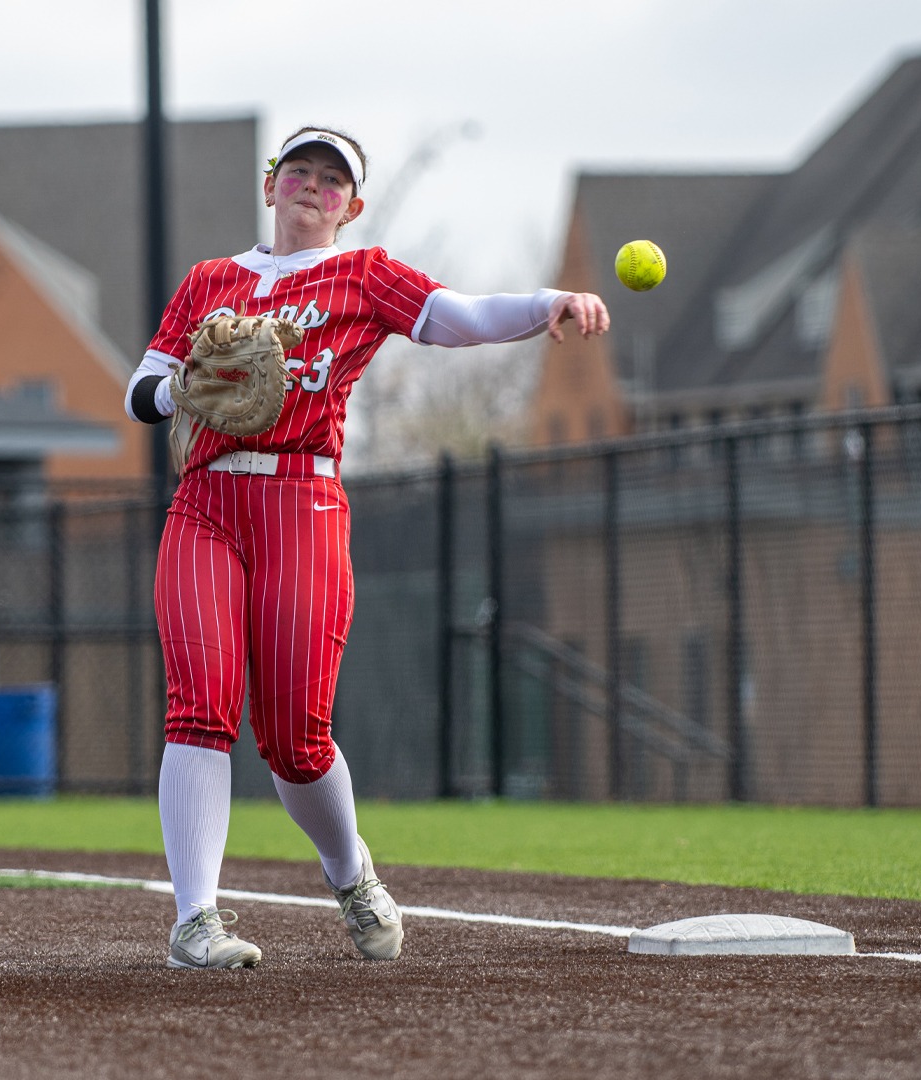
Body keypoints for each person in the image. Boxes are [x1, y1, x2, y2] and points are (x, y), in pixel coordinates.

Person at [124, 127, 608, 968]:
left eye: (332, 179)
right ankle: (195, 921)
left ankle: (350, 874)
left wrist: (547, 304)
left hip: (302, 503)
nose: (313, 187)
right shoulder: (209, 281)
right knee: (199, 705)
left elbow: (459, 317)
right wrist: (180, 388)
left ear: (352, 206)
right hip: (206, 502)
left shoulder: (364, 273)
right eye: (299, 172)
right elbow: (140, 390)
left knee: (296, 738)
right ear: (271, 185)